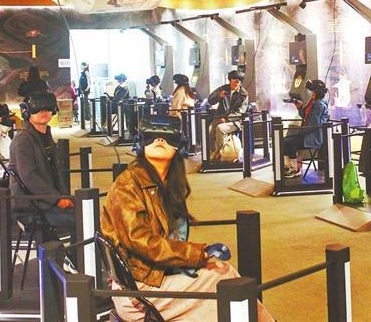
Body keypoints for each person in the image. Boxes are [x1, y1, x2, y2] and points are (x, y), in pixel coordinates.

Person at [100, 115, 273, 321]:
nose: (159, 141)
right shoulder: (127, 184)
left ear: (179, 147)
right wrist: (197, 253)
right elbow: (139, 240)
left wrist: (193, 259)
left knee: (222, 273)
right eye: (151, 136)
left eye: (167, 137)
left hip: (154, 277)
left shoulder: (166, 185)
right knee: (223, 277)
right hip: (138, 291)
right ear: (140, 144)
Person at [8, 92, 74, 232]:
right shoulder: (23, 140)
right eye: (37, 109)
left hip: (46, 201)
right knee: (83, 220)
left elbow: (55, 172)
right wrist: (56, 199)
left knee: (88, 212)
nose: (43, 112)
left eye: (47, 108)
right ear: (27, 112)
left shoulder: (45, 136)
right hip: (31, 205)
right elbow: (29, 176)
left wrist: (64, 196)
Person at [282, 79, 330, 178]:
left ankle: (295, 169)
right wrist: (300, 107)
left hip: (313, 137)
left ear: (317, 92)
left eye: (313, 91)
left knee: (288, 142)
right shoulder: (314, 102)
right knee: (285, 141)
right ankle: (291, 167)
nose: (311, 93)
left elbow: (312, 124)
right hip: (307, 134)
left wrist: (298, 134)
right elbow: (305, 116)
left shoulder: (319, 105)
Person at [207, 70, 248, 159]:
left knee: (220, 129)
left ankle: (219, 153)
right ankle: (213, 152)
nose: (237, 82)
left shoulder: (243, 94)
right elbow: (210, 100)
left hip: (235, 121)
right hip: (219, 117)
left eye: (239, 81)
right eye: (235, 80)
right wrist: (219, 96)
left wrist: (226, 119)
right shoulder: (222, 89)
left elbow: (241, 111)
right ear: (230, 80)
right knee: (209, 131)